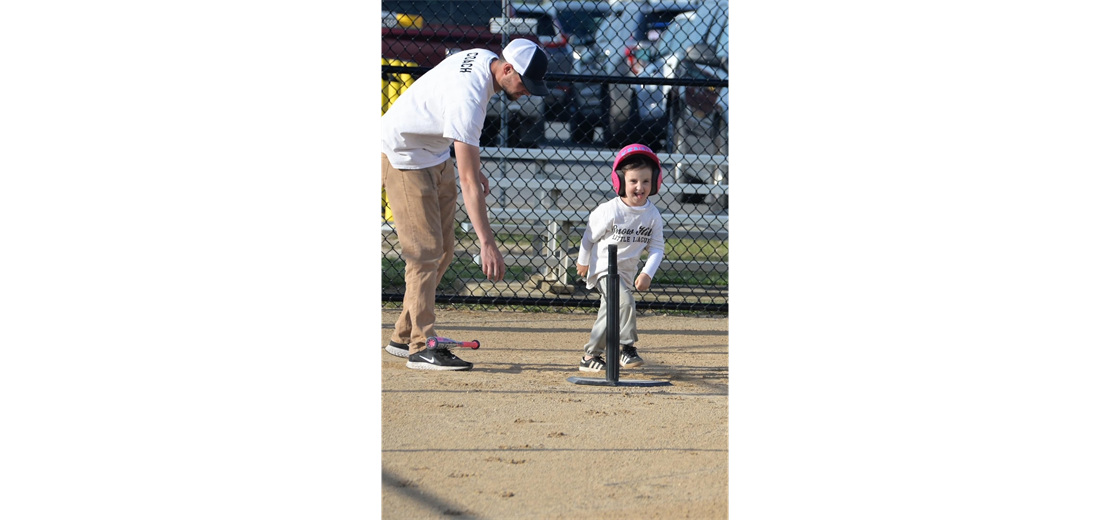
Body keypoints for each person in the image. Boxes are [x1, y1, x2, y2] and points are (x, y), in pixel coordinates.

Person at [381, 39, 551, 371]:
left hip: (434, 152)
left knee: (443, 251)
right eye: (524, 84)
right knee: (425, 252)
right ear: (506, 69)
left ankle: (403, 335)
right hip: (402, 154)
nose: (527, 92)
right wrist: (487, 242)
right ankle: (421, 346)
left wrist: (477, 169)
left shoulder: (485, 60)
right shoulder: (469, 99)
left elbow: (467, 161)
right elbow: (470, 183)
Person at [574, 144, 666, 372]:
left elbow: (657, 248)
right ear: (620, 182)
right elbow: (588, 237)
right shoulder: (609, 210)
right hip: (604, 268)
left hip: (626, 272)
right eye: (633, 181)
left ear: (655, 182)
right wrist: (583, 261)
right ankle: (626, 347)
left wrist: (647, 273)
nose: (640, 186)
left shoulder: (653, 215)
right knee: (625, 302)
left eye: (646, 181)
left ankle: (589, 357)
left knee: (610, 311)